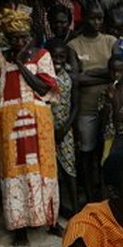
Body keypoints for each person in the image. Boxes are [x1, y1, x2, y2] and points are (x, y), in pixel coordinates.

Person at [0, 10, 60, 246]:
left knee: (44, 168)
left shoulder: (42, 56)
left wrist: (21, 65)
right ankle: (20, 227)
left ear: (31, 36)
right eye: (14, 38)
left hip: (38, 120)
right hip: (9, 122)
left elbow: (44, 87)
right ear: (7, 38)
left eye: (23, 37)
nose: (19, 42)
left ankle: (50, 220)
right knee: (13, 171)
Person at [68, 2, 117, 203]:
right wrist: (104, 75)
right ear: (84, 19)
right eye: (92, 18)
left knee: (106, 153)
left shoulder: (111, 41)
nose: (97, 22)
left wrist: (88, 74)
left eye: (100, 18)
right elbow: (75, 79)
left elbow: (117, 71)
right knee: (87, 153)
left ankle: (107, 195)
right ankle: (89, 196)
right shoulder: (74, 45)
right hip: (86, 108)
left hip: (110, 108)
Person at [47, 39, 79, 216]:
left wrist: (66, 127)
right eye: (54, 56)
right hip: (46, 129)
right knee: (51, 171)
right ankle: (55, 209)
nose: (57, 60)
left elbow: (75, 105)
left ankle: (75, 208)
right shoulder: (43, 75)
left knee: (69, 168)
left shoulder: (70, 77)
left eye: (62, 56)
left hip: (65, 129)